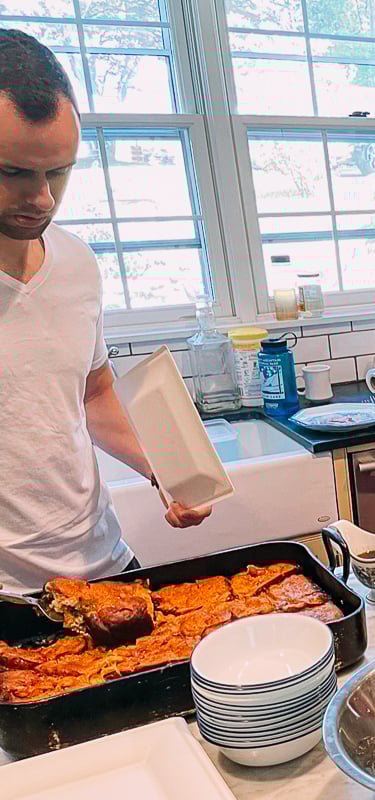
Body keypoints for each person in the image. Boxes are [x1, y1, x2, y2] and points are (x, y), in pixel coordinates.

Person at [0, 30, 210, 591]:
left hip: (108, 569)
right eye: (12, 173)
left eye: (58, 171)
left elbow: (93, 394)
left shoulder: (76, 263)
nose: (41, 198)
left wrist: (166, 470)